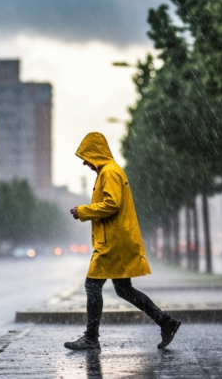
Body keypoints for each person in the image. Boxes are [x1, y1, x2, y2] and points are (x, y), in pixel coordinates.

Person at [65, 132, 180, 351]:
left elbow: (112, 204)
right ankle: (166, 322)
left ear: (96, 153)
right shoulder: (108, 171)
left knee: (92, 285)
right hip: (117, 239)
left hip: (113, 242)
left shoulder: (109, 171)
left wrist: (83, 211)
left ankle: (91, 338)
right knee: (124, 289)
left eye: (86, 156)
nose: (84, 162)